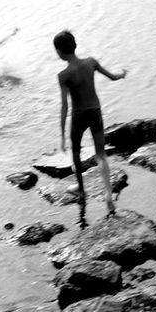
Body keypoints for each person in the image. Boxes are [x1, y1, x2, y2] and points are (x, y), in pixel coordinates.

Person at [54, 30, 127, 215]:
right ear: (74, 46)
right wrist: (122, 75)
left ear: (60, 51)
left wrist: (62, 135)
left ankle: (80, 187)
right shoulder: (91, 62)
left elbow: (64, 107)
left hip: (79, 115)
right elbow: (112, 77)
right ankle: (108, 192)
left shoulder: (63, 75)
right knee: (101, 154)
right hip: (95, 111)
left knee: (76, 153)